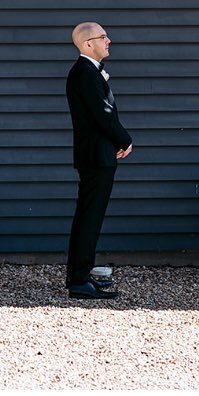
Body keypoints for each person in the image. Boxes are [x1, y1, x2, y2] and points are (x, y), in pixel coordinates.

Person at [65, 22, 133, 300]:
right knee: (89, 218)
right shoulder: (84, 73)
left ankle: (82, 272)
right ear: (87, 44)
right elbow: (103, 113)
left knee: (89, 217)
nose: (109, 41)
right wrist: (125, 139)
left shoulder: (89, 72)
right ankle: (79, 280)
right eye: (103, 37)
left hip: (97, 154)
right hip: (96, 156)